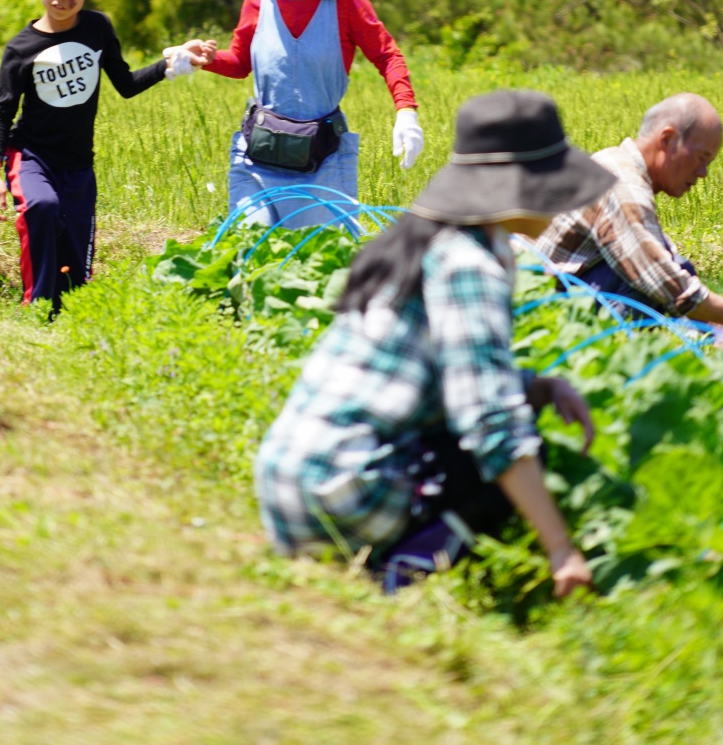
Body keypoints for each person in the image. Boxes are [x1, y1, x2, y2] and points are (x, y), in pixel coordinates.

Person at [255, 89, 615, 596]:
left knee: (509, 417)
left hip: (291, 482)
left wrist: (540, 385)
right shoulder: (470, 264)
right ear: (515, 187)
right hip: (340, 502)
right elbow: (489, 417)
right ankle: (401, 573)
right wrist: (561, 549)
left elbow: (447, 372)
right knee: (508, 461)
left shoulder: (425, 239)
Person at [0, 0, 209, 306]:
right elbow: (1, 112)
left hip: (78, 165)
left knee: (75, 277)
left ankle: (64, 314)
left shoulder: (97, 29)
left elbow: (126, 83)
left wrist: (173, 64)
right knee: (42, 207)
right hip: (32, 157)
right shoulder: (21, 49)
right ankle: (36, 306)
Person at [201, 0, 424, 229]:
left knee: (319, 260)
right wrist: (203, 59)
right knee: (249, 250)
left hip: (324, 156)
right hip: (259, 154)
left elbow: (385, 54)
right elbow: (238, 62)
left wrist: (406, 113)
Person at [536, 92, 723, 325]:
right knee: (649, 280)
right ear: (667, 139)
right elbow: (669, 287)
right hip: (549, 315)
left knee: (671, 259)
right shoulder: (623, 187)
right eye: (701, 158)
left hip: (553, 299)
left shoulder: (613, 163)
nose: (703, 173)